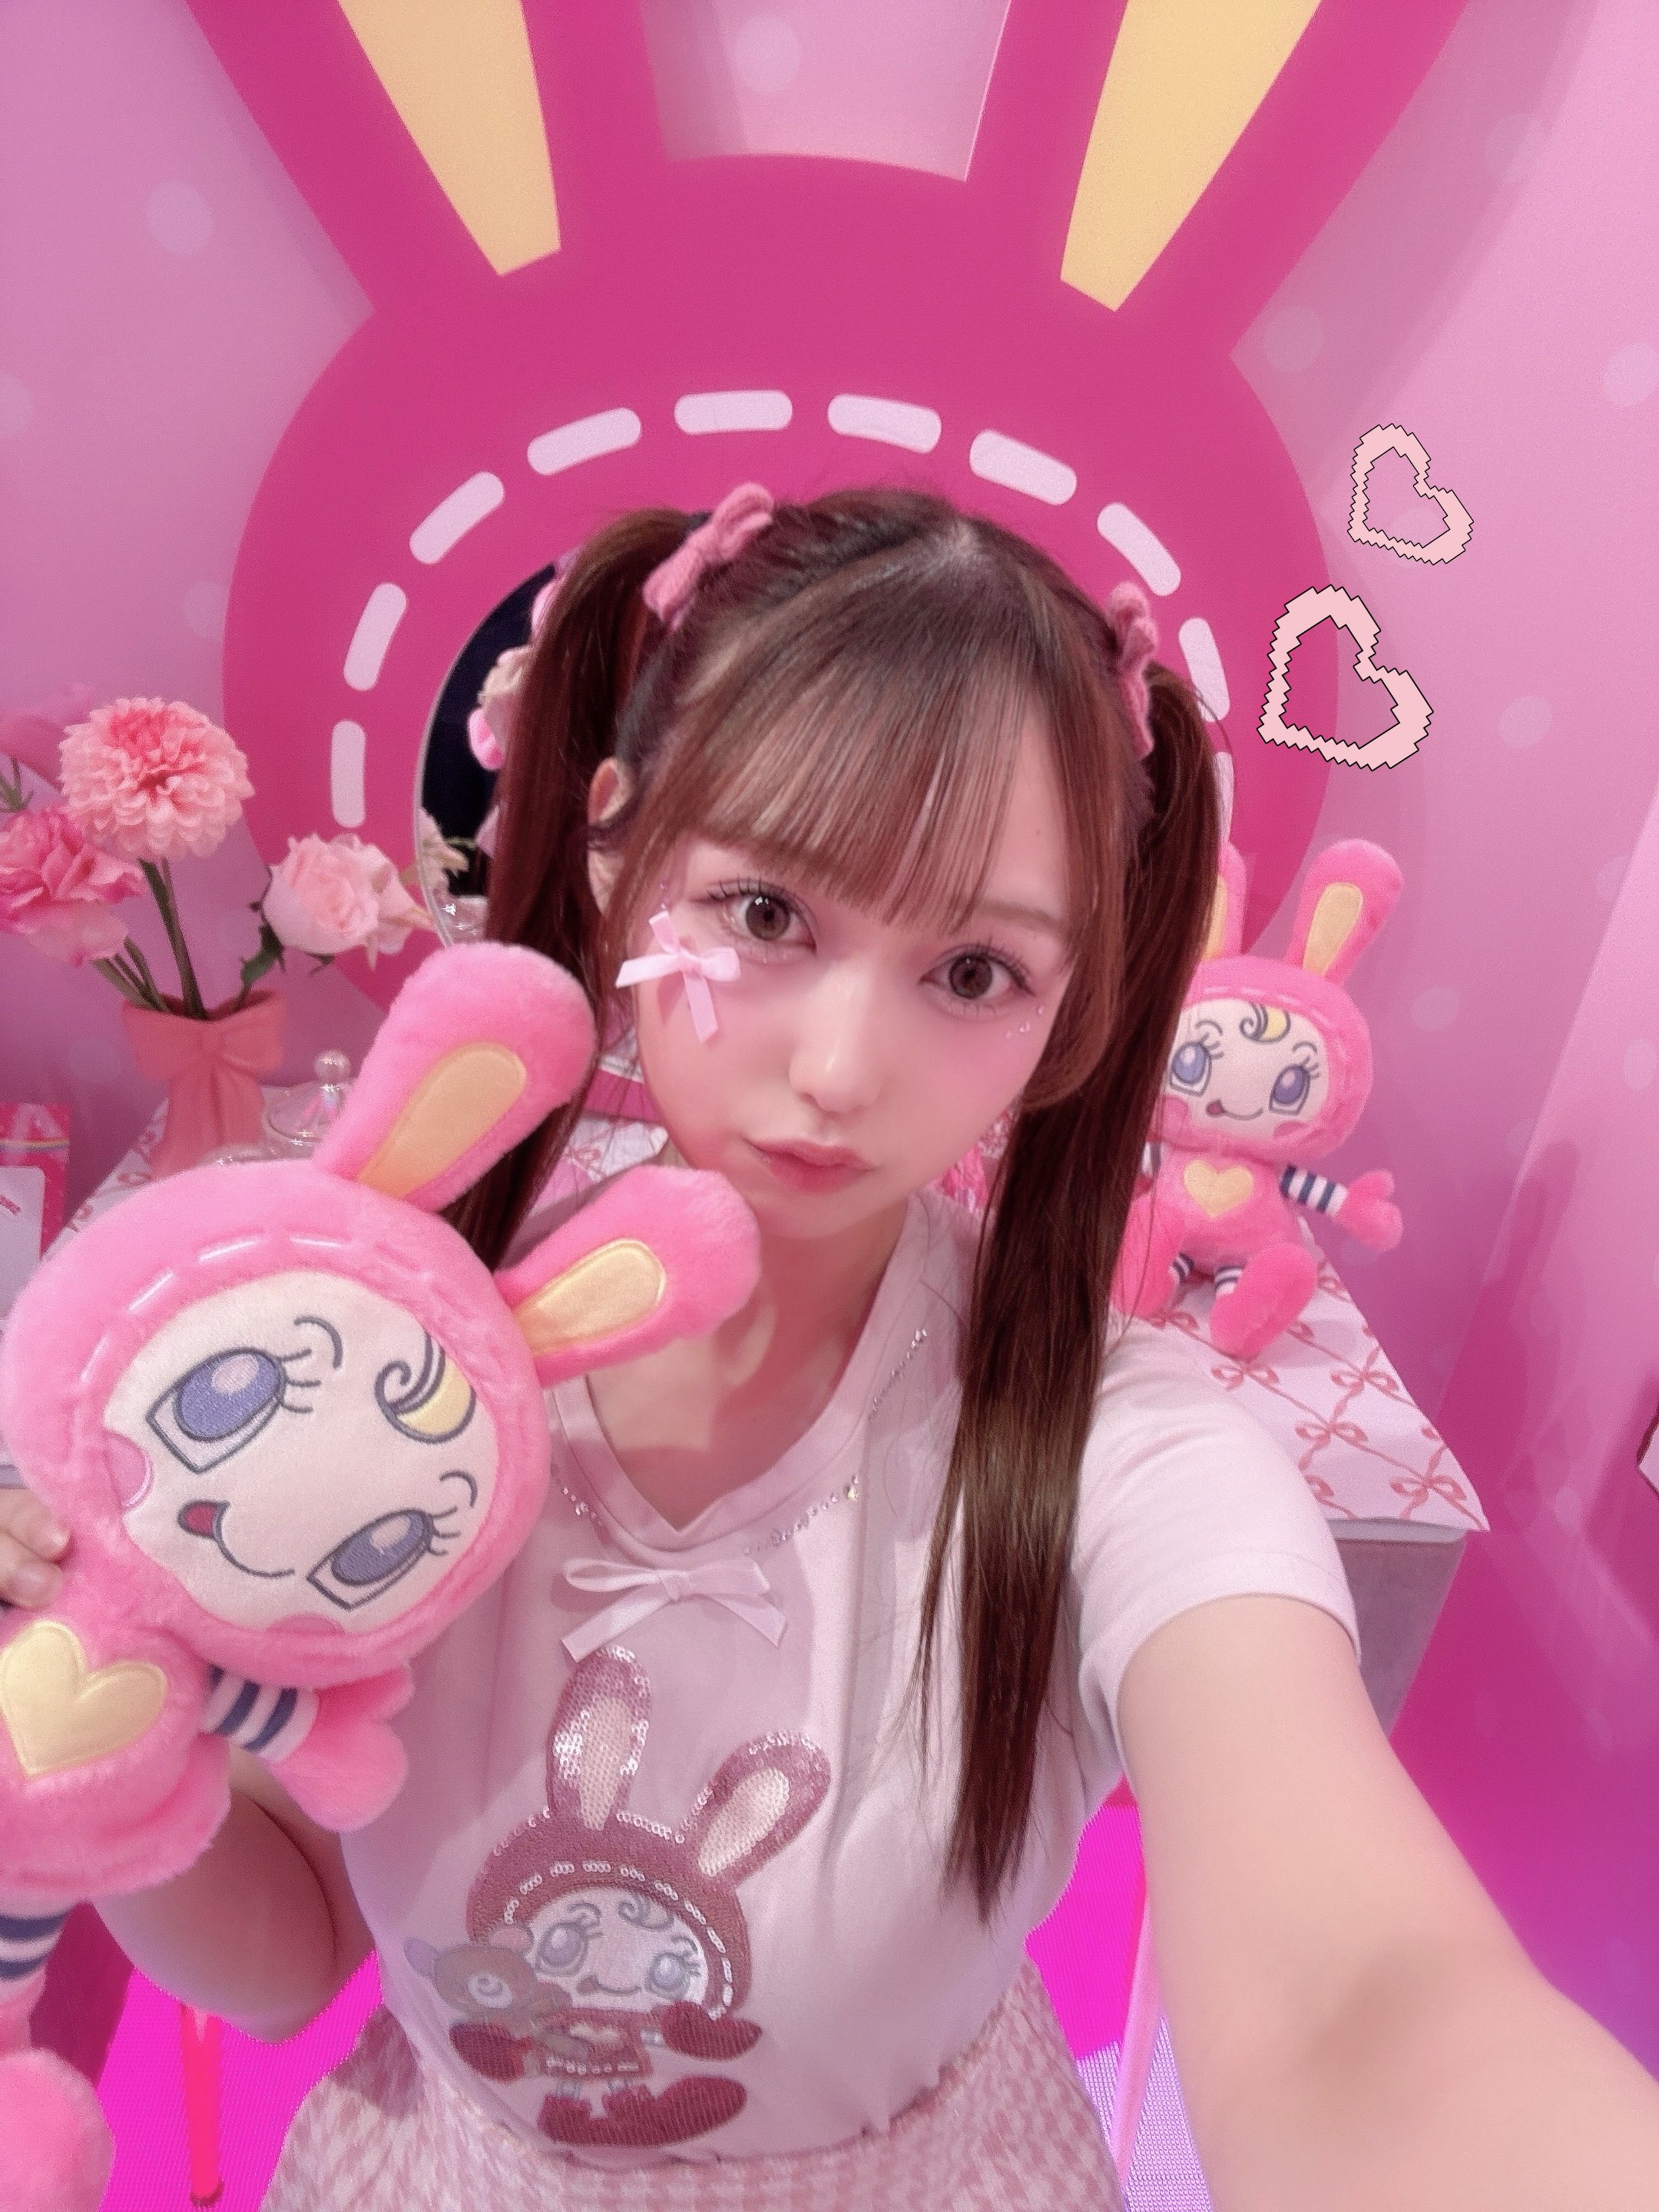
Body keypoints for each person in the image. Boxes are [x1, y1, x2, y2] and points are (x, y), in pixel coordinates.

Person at [4, 483, 1657, 2211]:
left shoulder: (1115, 1446)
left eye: (974, 972)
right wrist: (88, 1735)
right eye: (769, 916)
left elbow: (1366, 2008)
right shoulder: (383, 1374)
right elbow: (286, 1955)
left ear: (1070, 1009)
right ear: (618, 848)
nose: (843, 1068)